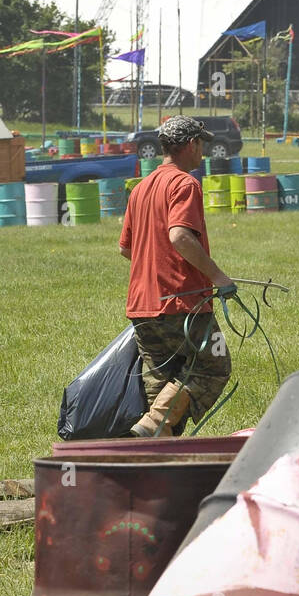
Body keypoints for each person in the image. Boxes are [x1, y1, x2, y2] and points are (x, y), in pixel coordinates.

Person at [119, 115, 235, 437]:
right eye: (201, 144)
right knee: (213, 365)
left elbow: (127, 249)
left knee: (160, 383)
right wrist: (219, 278)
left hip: (141, 307)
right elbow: (180, 236)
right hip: (181, 303)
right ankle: (153, 427)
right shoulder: (185, 184)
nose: (203, 152)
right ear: (191, 145)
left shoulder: (140, 189)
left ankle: (157, 453)